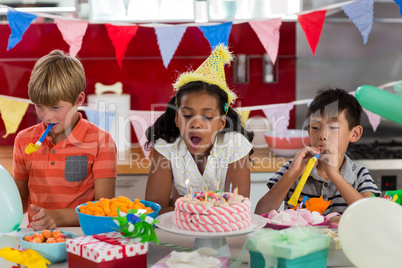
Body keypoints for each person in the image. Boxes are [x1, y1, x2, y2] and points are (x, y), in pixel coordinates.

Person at [13, 50, 117, 230]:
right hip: (38, 239)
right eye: (39, 106)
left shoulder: (101, 142)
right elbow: (20, 202)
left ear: (79, 99)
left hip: (83, 238)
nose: (46, 116)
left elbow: (103, 208)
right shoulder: (24, 141)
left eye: (55, 107)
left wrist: (58, 217)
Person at [144, 45, 254, 214]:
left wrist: (177, 203)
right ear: (177, 119)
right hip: (178, 233)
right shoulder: (167, 146)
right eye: (187, 115)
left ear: (221, 123)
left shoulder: (234, 144)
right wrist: (211, 208)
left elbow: (236, 209)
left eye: (207, 117)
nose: (195, 124)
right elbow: (155, 209)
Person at [255, 88, 381, 216]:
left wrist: (335, 175)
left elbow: (369, 215)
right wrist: (292, 173)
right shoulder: (292, 168)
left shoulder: (359, 175)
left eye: (333, 127)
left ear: (354, 134)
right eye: (315, 127)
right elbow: (260, 214)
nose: (322, 135)